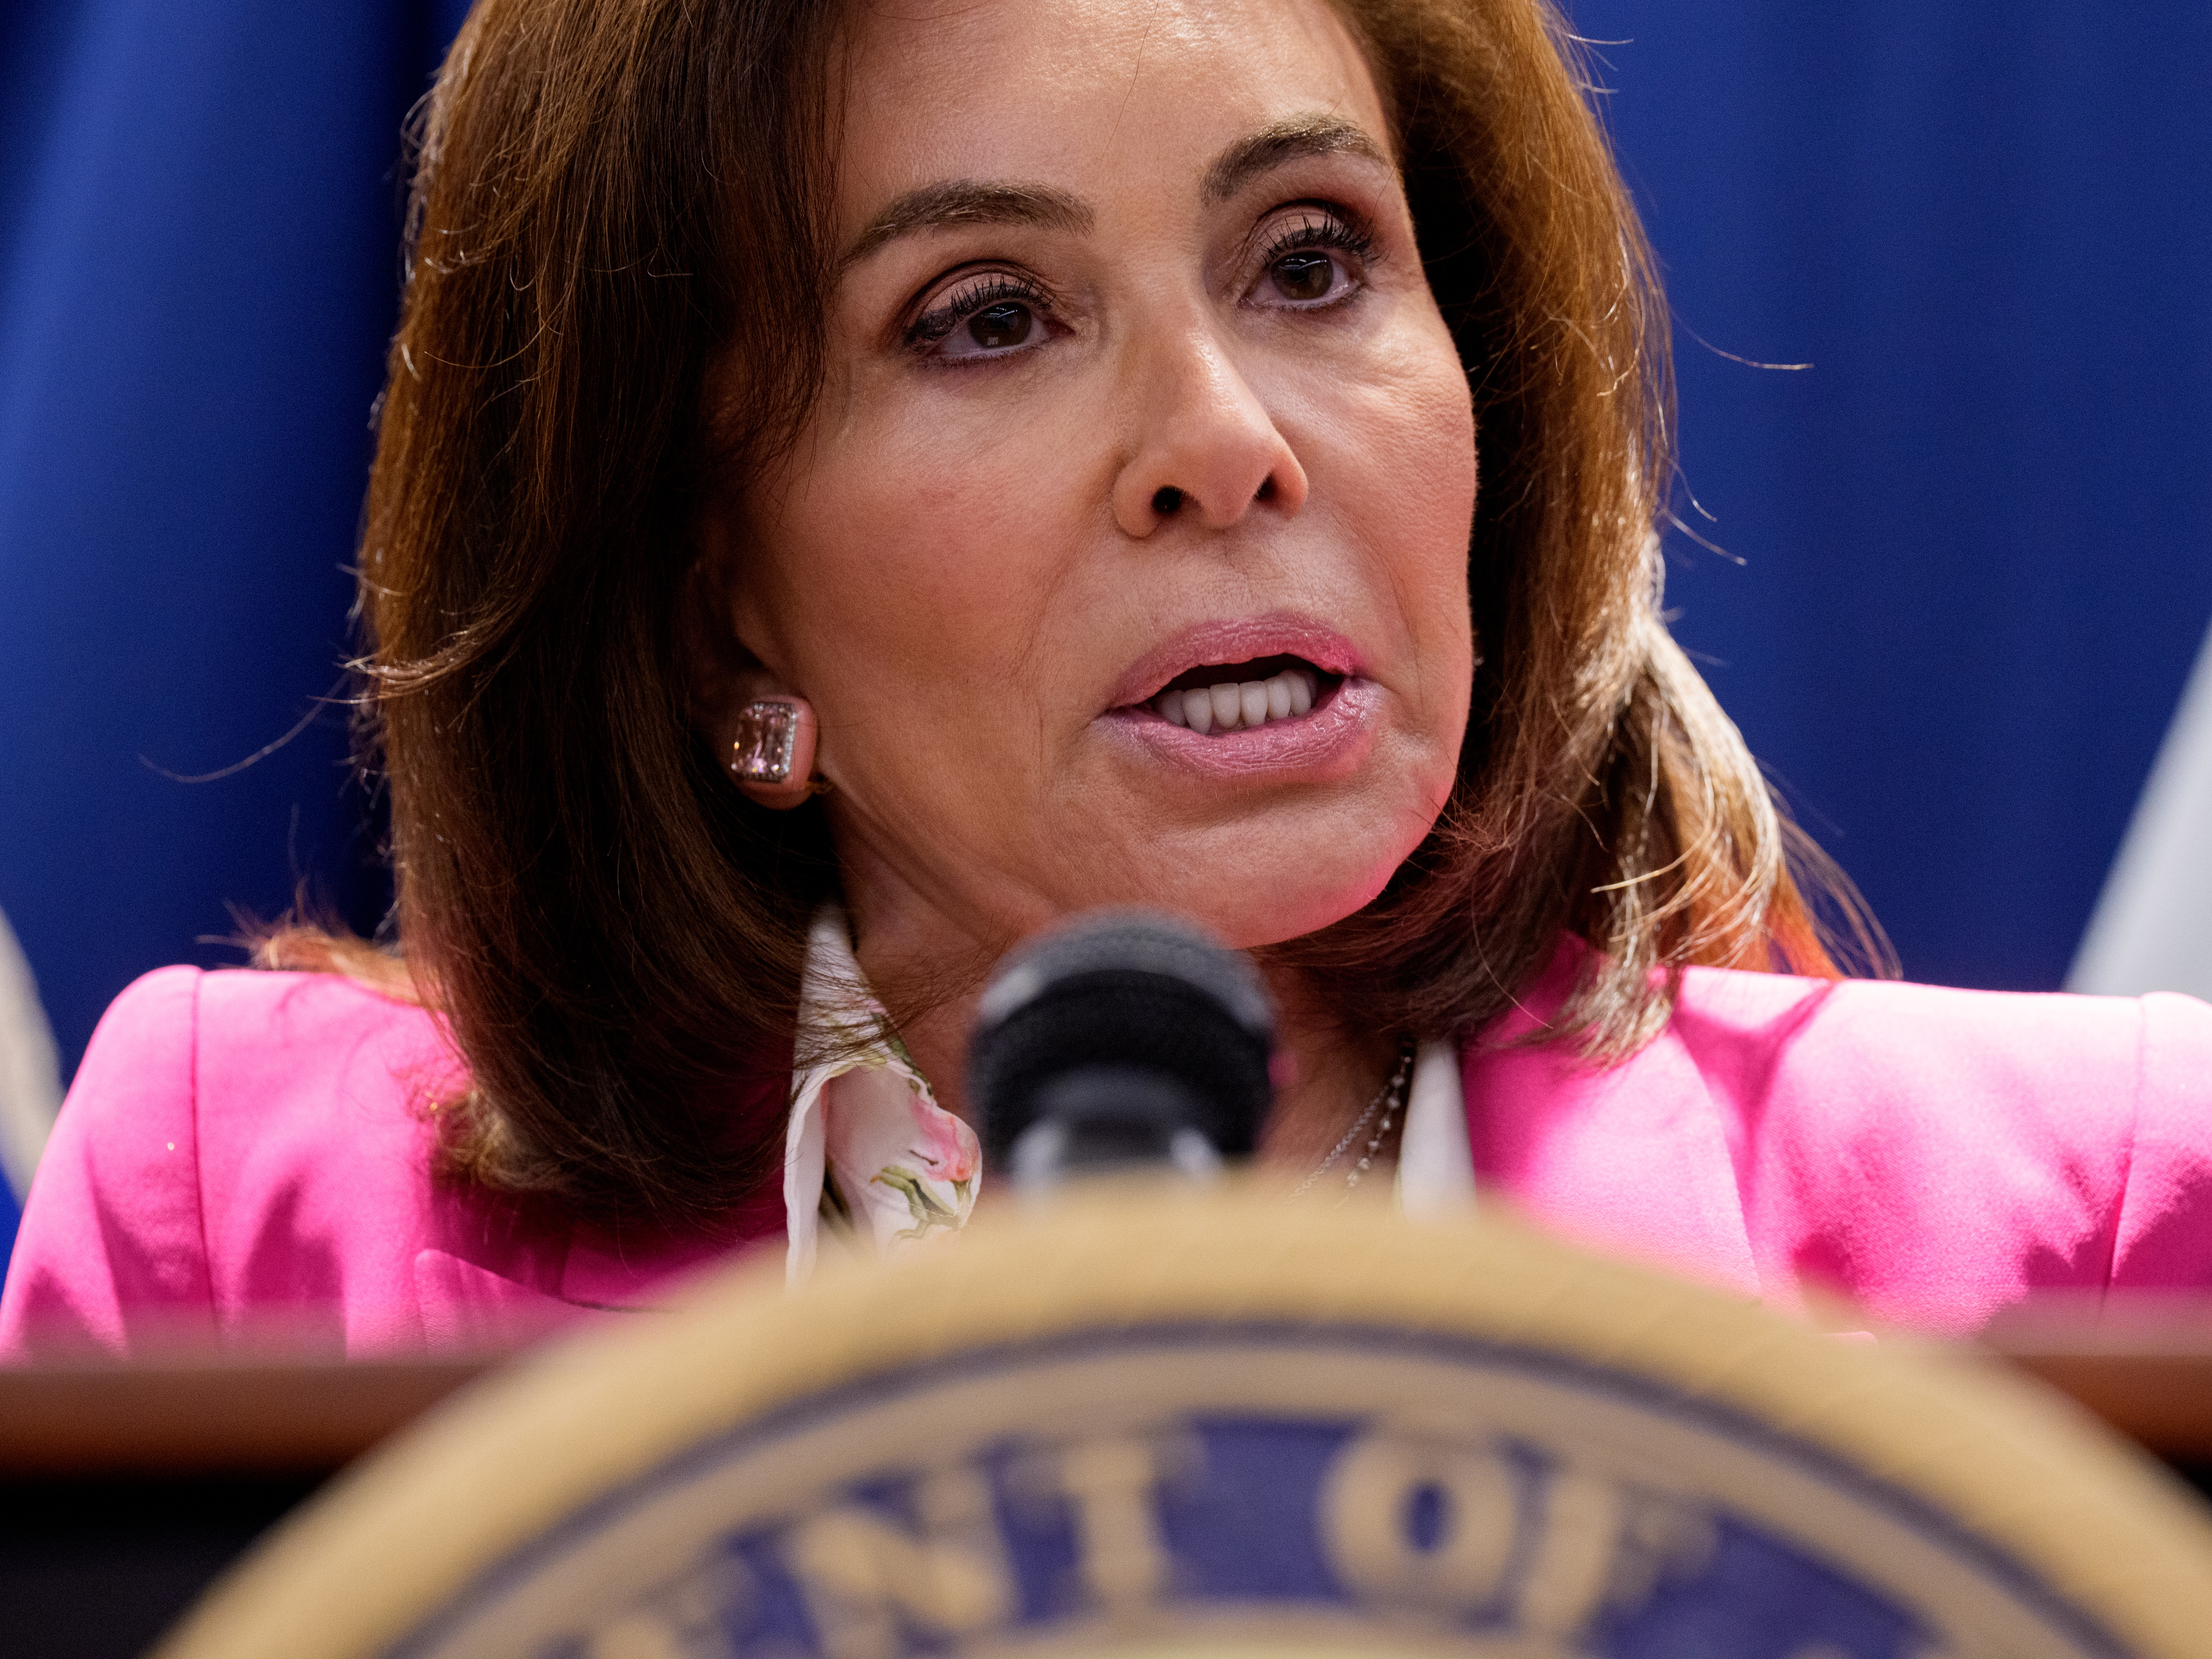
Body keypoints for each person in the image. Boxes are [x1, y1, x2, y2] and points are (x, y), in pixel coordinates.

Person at [5, 0, 2208, 1360]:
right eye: (983, 317)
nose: (1225, 439)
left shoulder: (2096, 1214)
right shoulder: (242, 1217)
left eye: (1310, 260)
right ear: (707, 603)